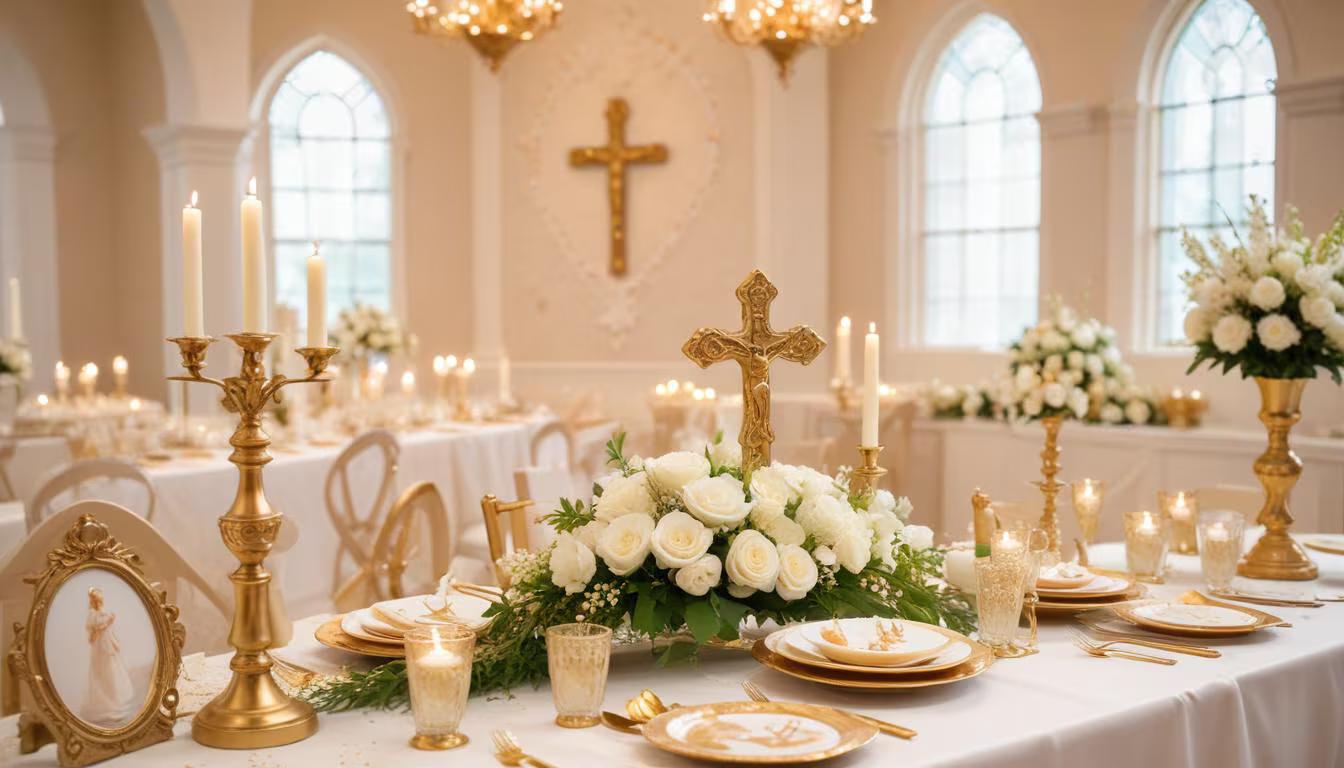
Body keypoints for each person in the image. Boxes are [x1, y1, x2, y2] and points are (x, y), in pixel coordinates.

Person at [81, 586, 136, 726]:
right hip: (100, 647)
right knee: (103, 672)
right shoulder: (93, 614)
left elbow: (107, 628)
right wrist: (107, 622)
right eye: (97, 600)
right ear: (93, 601)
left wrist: (109, 624)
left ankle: (116, 700)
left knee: (113, 670)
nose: (100, 603)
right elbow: (95, 629)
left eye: (100, 600)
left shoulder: (102, 612)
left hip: (107, 644)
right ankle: (106, 703)